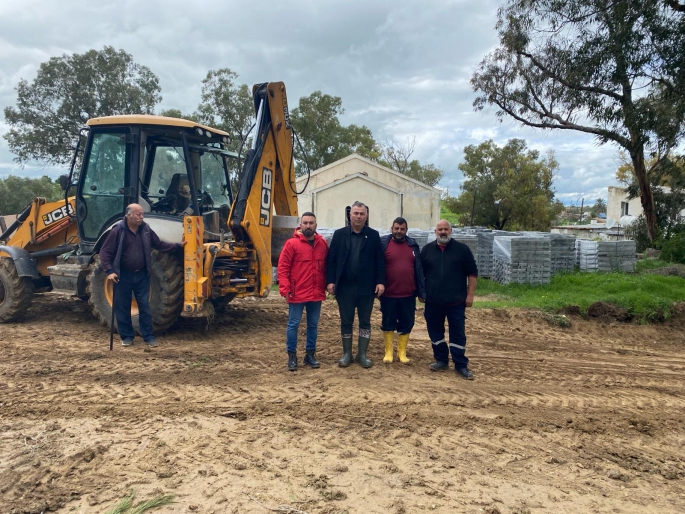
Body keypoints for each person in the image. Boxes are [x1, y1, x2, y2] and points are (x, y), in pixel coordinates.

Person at [99, 203, 184, 348]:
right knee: (122, 307)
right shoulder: (118, 231)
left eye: (142, 214)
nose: (141, 217)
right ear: (128, 215)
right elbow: (105, 253)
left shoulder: (145, 229)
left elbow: (159, 244)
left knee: (145, 307)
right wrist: (109, 271)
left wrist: (177, 246)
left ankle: (149, 337)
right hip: (122, 276)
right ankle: (126, 337)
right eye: (138, 214)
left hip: (142, 275)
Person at [326, 201, 385, 368]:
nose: (358, 216)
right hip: (345, 287)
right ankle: (347, 354)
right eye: (355, 213)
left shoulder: (373, 235)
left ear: (366, 216)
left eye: (362, 214)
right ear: (350, 215)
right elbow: (331, 260)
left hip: (367, 287)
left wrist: (381, 282)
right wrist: (330, 281)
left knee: (365, 321)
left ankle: (362, 354)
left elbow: (380, 261)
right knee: (346, 321)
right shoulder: (339, 235)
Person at [420, 220, 478, 379]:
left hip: (456, 302)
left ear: (451, 231)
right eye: (440, 229)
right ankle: (441, 360)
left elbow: (472, 273)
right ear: (435, 232)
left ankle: (460, 365)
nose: (443, 232)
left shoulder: (462, 250)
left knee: (458, 334)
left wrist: (470, 294)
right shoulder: (426, 250)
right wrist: (421, 293)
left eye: (446, 229)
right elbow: (419, 275)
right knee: (435, 332)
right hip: (433, 301)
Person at [277, 212, 328, 371]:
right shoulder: (291, 244)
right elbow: (283, 267)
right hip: (297, 292)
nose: (308, 226)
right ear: (300, 224)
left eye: (311, 223)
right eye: (305, 223)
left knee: (313, 325)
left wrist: (328, 284)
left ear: (315, 225)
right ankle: (292, 356)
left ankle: (310, 355)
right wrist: (284, 287)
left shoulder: (322, 244)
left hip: (315, 292)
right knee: (293, 324)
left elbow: (326, 267)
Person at [379, 217, 426, 364]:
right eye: (396, 228)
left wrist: (421, 291)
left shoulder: (412, 245)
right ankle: (388, 352)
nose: (399, 231)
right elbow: (377, 266)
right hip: (388, 294)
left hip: (408, 294)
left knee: (407, 322)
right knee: (388, 322)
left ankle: (402, 352)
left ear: (406, 230)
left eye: (402, 229)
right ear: (391, 229)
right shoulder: (383, 244)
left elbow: (419, 269)